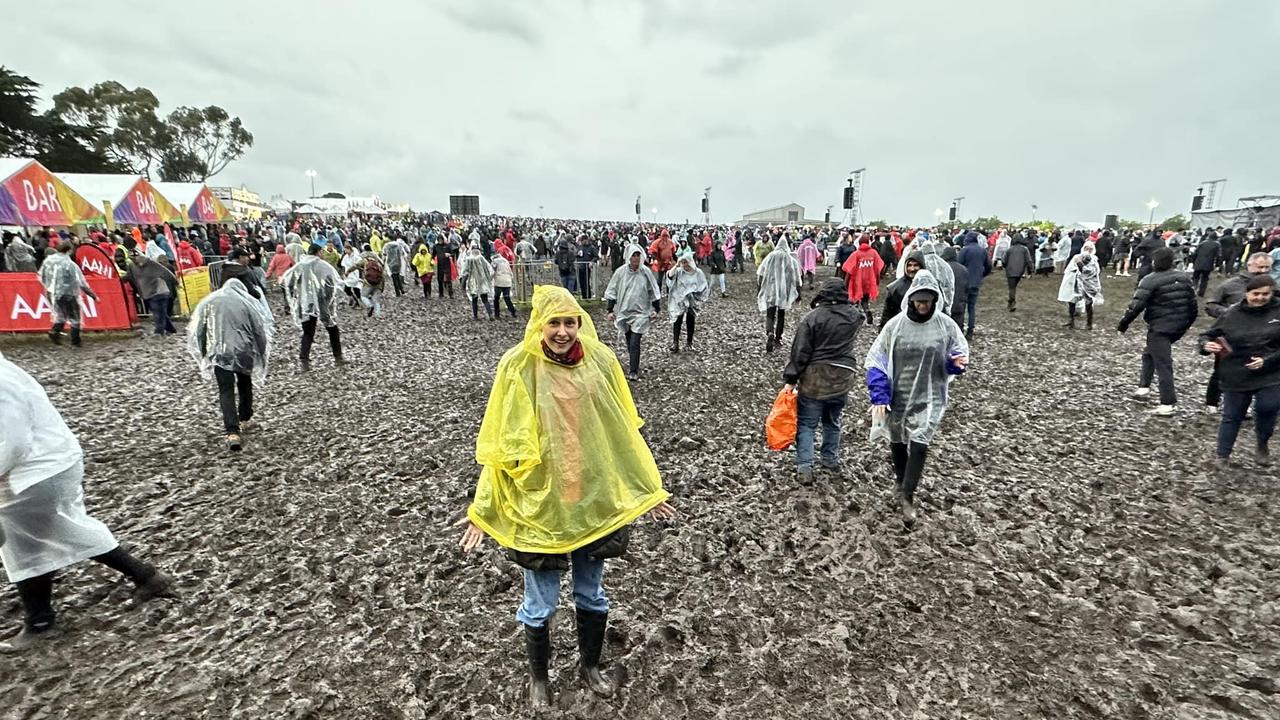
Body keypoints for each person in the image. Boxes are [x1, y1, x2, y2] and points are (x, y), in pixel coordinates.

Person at [457, 285, 675, 708]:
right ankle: (539, 677)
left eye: (570, 322)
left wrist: (649, 489)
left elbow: (623, 433)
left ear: (580, 322)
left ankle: (590, 666)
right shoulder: (517, 367)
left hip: (592, 499)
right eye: (553, 322)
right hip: (540, 503)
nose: (562, 331)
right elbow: (502, 447)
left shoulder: (602, 361)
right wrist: (482, 510)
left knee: (591, 594)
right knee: (539, 603)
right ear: (538, 324)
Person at [0, 353, 176, 653]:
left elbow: (12, 441)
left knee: (26, 544)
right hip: (45, 465)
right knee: (54, 532)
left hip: (36, 470)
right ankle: (146, 576)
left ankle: (40, 622)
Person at [866, 270, 968, 526]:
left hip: (930, 394)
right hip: (898, 392)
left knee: (921, 440)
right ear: (911, 299)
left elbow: (957, 353)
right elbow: (877, 359)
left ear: (935, 300)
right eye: (919, 300)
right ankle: (901, 481)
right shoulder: (895, 326)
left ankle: (908, 496)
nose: (923, 305)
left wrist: (955, 364)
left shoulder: (946, 326)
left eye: (928, 300)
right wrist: (879, 393)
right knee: (899, 439)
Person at [783, 279, 864, 484]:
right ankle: (830, 459)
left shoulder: (812, 318)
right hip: (843, 377)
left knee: (807, 424)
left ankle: (805, 467)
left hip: (815, 379)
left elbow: (800, 351)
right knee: (832, 421)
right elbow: (862, 315)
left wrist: (791, 379)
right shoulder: (854, 316)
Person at [1200, 275, 1280, 468]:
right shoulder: (1231, 313)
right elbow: (1208, 335)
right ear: (1247, 294)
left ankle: (1262, 443)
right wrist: (1205, 345)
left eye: (1265, 294)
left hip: (1271, 373)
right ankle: (1222, 456)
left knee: (1267, 408)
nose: (1260, 298)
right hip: (1236, 371)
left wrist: (1267, 361)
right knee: (1231, 415)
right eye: (1256, 294)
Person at [187, 277, 272, 451]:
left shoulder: (209, 301)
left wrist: (204, 354)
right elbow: (259, 330)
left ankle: (232, 431)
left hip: (219, 352)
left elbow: (200, 330)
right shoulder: (247, 303)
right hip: (243, 350)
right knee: (244, 383)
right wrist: (262, 354)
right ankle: (245, 416)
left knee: (225, 390)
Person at [1117, 248, 1199, 417]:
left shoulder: (1150, 280)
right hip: (1180, 325)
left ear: (1155, 262)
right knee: (1149, 353)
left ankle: (1168, 403)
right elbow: (1193, 303)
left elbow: (1136, 305)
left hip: (1160, 327)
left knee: (1163, 363)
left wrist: (1123, 324)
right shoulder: (1184, 278)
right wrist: (1188, 322)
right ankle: (1143, 387)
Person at [1204, 252, 1275, 412]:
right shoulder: (1229, 285)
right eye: (1260, 267)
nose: (1263, 270)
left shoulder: (1273, 287)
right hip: (1230, 335)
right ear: (1249, 265)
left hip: (1264, 336)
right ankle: (1212, 402)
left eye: (1267, 267)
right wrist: (1229, 314)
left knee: (1256, 367)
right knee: (1221, 370)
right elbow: (1210, 305)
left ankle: (1247, 404)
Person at [282, 243, 346, 372]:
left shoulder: (299, 266)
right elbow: (331, 282)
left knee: (308, 332)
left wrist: (298, 297)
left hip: (305, 303)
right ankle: (338, 357)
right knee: (332, 328)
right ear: (318, 252)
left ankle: (304, 360)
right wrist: (328, 300)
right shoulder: (323, 266)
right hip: (321, 302)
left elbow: (287, 282)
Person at [604, 243, 662, 380]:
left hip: (641, 312)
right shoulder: (620, 272)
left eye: (638, 255)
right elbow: (612, 290)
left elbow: (653, 290)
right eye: (633, 255)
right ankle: (633, 360)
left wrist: (656, 308)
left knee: (635, 341)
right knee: (629, 339)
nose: (636, 258)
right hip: (624, 311)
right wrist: (610, 310)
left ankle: (633, 371)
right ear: (628, 257)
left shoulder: (645, 272)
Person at [37, 240, 98, 347]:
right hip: (69, 294)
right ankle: (75, 341)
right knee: (75, 318)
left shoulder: (48, 261)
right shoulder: (70, 264)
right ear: (69, 250)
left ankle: (54, 332)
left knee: (61, 315)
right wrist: (93, 295)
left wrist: (50, 288)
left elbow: (42, 276)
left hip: (53, 294)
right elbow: (81, 282)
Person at [757, 236, 802, 353]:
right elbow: (798, 278)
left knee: (770, 312)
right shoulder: (791, 259)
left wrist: (759, 288)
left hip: (770, 289)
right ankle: (778, 337)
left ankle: (769, 331)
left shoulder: (770, 256)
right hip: (784, 292)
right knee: (781, 314)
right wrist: (799, 294)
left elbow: (760, 273)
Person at [666, 253, 710, 353]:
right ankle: (675, 342)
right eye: (682, 262)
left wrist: (695, 294)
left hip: (692, 301)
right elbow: (669, 277)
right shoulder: (679, 271)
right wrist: (676, 265)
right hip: (679, 299)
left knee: (691, 320)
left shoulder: (698, 272)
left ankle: (689, 343)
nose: (684, 265)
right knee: (677, 320)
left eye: (686, 262)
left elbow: (703, 286)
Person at [131, 243, 177, 337]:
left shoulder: (151, 264)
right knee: (161, 312)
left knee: (158, 312)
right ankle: (171, 329)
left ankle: (159, 332)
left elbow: (165, 273)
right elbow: (132, 277)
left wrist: (175, 282)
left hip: (160, 292)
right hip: (151, 292)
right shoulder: (133, 267)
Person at [1058, 241, 1104, 330]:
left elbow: (1094, 271)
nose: (1088, 250)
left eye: (1090, 249)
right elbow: (1070, 269)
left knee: (1089, 303)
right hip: (1075, 282)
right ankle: (1071, 321)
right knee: (1071, 302)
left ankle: (1089, 323)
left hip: (1088, 284)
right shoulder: (1076, 257)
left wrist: (1081, 265)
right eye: (1086, 248)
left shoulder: (1094, 259)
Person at [957, 231, 992, 340]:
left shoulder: (964, 250)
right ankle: (970, 331)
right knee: (971, 308)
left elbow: (958, 265)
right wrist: (981, 275)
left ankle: (960, 330)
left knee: (962, 307)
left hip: (963, 283)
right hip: (976, 282)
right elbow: (989, 266)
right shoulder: (983, 251)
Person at [842, 236, 885, 324]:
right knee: (865, 299)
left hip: (857, 281)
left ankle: (855, 316)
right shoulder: (874, 253)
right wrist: (877, 280)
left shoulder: (856, 254)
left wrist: (845, 284)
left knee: (855, 299)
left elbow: (849, 270)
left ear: (860, 243)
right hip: (869, 280)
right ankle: (867, 310)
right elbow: (878, 268)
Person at [880, 252, 923, 329]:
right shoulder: (895, 288)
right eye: (909, 265)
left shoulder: (929, 286)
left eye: (916, 265)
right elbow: (888, 313)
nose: (912, 269)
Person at [459, 246, 496, 321]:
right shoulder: (481, 258)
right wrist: (489, 278)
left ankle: (475, 316)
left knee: (474, 299)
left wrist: (463, 283)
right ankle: (490, 314)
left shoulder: (469, 259)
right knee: (485, 299)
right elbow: (490, 268)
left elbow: (464, 272)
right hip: (482, 280)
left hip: (473, 281)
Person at [940, 247, 969, 329]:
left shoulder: (942, 268)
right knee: (957, 330)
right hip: (959, 304)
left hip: (945, 305)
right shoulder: (963, 269)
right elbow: (967, 287)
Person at [1002, 235, 1033, 311]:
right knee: (1014, 286)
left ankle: (1011, 302)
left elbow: (1004, 260)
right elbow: (1029, 261)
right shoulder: (1024, 249)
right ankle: (1011, 302)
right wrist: (1030, 271)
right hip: (1020, 271)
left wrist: (1005, 266)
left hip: (1010, 271)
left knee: (1012, 288)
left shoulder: (1009, 249)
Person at [356, 246, 386, 319]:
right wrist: (382, 288)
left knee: (363, 296)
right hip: (378, 282)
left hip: (368, 282)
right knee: (376, 300)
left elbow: (355, 265)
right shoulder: (377, 260)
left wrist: (348, 272)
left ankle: (369, 305)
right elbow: (383, 273)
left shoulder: (363, 257)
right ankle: (377, 316)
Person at [1190, 231, 1221, 297]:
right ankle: (1201, 293)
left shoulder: (1202, 243)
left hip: (1198, 263)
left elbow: (1195, 253)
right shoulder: (1217, 244)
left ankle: (1193, 290)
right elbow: (1219, 255)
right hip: (1208, 264)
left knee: (1195, 278)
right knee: (1205, 279)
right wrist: (1218, 265)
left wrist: (1193, 262)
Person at [492, 253, 517, 318]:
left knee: (496, 298)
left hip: (499, 281)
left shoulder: (495, 262)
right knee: (507, 297)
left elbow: (492, 271)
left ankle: (497, 314)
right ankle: (513, 311)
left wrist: (490, 279)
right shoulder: (506, 261)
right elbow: (510, 271)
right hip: (507, 281)